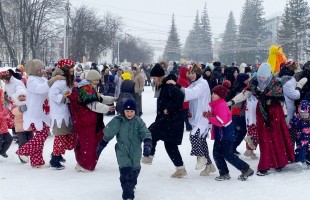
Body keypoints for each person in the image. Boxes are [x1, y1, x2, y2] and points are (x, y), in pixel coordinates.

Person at [228, 62, 295, 176]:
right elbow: (244, 94)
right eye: (260, 76)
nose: (262, 79)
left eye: (264, 76)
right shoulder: (254, 82)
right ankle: (265, 165)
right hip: (261, 112)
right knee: (264, 139)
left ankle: (279, 162)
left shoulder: (276, 83)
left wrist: (285, 116)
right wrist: (232, 101)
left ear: (269, 75)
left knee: (276, 138)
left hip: (275, 113)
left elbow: (281, 101)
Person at [96, 98, 152, 200]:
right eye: (127, 111)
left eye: (132, 111)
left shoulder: (138, 121)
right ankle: (128, 196)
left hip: (136, 152)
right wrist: (101, 146)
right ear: (123, 111)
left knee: (135, 171)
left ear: (135, 111)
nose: (129, 114)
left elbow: (145, 133)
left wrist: (147, 144)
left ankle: (131, 184)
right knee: (126, 174)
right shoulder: (118, 121)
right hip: (122, 152)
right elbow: (108, 134)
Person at [16, 59, 64, 167]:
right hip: (35, 114)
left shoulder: (42, 78)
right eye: (41, 68)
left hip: (43, 112)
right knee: (41, 136)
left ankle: (36, 161)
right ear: (35, 69)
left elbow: (48, 87)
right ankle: (23, 151)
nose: (43, 70)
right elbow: (40, 89)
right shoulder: (31, 80)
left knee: (40, 137)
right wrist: (53, 80)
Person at [141, 63, 187, 178]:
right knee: (169, 145)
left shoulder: (168, 86)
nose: (153, 80)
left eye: (154, 78)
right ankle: (180, 169)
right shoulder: (163, 86)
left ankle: (149, 156)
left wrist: (169, 109)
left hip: (172, 121)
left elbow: (180, 97)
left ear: (160, 77)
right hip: (168, 120)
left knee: (151, 132)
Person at [170, 64, 216, 176]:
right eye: (188, 74)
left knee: (194, 136)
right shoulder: (194, 84)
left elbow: (191, 93)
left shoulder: (203, 84)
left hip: (203, 118)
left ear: (198, 73)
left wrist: (176, 84)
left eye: (192, 73)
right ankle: (209, 165)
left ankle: (201, 157)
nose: (190, 76)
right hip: (196, 117)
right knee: (202, 142)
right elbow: (185, 94)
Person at [68, 70, 115, 172]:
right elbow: (93, 105)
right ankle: (86, 165)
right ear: (91, 79)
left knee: (85, 143)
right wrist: (107, 108)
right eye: (96, 79)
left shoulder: (86, 87)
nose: (98, 81)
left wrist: (112, 99)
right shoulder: (86, 89)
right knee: (89, 143)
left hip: (85, 121)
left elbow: (98, 98)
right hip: (86, 121)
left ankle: (82, 163)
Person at [204, 83, 254, 181]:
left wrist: (209, 117)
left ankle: (246, 169)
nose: (212, 95)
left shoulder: (221, 105)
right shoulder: (216, 104)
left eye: (215, 94)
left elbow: (221, 122)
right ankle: (224, 173)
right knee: (217, 154)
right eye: (212, 93)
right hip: (221, 135)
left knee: (227, 154)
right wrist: (210, 115)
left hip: (226, 135)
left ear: (221, 96)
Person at [48, 59, 75, 170]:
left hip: (64, 113)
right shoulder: (61, 82)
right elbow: (52, 94)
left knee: (64, 136)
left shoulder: (66, 81)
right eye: (71, 68)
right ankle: (54, 159)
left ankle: (57, 154)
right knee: (60, 136)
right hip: (60, 114)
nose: (73, 70)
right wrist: (65, 99)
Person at [11, 88, 34, 161]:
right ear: (17, 97)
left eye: (23, 96)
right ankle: (22, 155)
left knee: (31, 141)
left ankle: (30, 154)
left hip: (29, 127)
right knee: (22, 142)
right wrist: (20, 109)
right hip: (20, 128)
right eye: (20, 96)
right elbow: (14, 112)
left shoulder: (28, 103)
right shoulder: (15, 105)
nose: (21, 97)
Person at [290, 100, 310, 168]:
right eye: (302, 114)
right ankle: (299, 160)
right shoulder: (298, 118)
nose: (304, 116)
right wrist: (291, 124)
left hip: (309, 138)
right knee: (300, 149)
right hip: (300, 138)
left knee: (309, 149)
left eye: (306, 114)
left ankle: (308, 160)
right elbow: (292, 123)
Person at [177, 66, 192, 132]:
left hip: (186, 100)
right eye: (187, 73)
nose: (188, 74)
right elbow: (182, 91)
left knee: (185, 114)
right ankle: (188, 126)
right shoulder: (181, 80)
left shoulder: (185, 79)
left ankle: (187, 125)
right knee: (184, 114)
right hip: (184, 101)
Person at [0, 86, 13, 158]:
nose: (2, 99)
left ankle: (2, 151)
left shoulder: (3, 105)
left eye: (2, 97)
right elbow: (2, 115)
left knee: (9, 139)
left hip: (4, 128)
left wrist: (9, 120)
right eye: (1, 97)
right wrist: (5, 113)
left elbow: (6, 116)